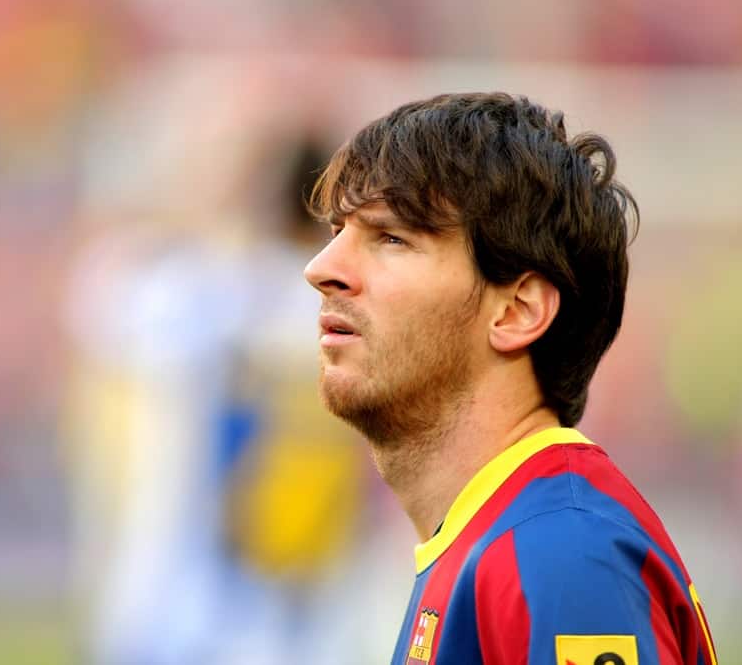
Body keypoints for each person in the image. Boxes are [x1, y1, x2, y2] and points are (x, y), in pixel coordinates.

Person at [302, 93, 718, 665]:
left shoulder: (561, 554)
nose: (321, 269)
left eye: (391, 238)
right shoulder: (493, 541)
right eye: (336, 230)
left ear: (517, 311)